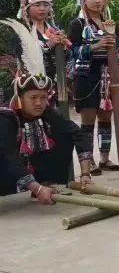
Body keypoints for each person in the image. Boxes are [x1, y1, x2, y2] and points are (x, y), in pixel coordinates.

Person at [1, 18, 94, 203]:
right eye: (33, 98)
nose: (39, 103)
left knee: (63, 134)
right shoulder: (6, 117)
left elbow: (78, 134)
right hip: (4, 171)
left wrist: (85, 174)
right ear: (20, 98)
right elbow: (8, 157)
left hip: (21, 170)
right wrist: (36, 188)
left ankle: (46, 181)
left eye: (43, 97)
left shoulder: (46, 112)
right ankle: (36, 186)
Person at [67, 0, 119, 175]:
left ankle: (104, 158)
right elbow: (71, 50)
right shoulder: (77, 24)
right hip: (87, 75)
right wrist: (95, 46)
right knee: (88, 119)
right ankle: (88, 159)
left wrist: (115, 41)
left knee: (106, 117)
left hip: (108, 75)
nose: (98, 0)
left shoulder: (109, 21)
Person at [12, 0, 69, 107]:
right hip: (31, 82)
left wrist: (64, 46)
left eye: (46, 5)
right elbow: (24, 56)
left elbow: (67, 56)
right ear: (27, 8)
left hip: (55, 81)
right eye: (37, 5)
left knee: (55, 115)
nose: (42, 9)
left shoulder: (54, 29)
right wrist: (48, 45)